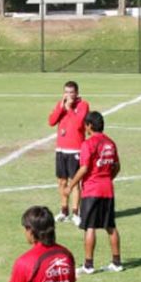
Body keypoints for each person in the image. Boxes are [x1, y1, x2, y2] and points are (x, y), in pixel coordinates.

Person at [65, 111, 123, 275]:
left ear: (89, 126)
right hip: (107, 189)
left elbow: (84, 168)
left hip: (92, 190)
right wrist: (108, 177)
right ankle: (117, 262)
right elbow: (117, 166)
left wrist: (71, 185)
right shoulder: (110, 143)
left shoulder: (88, 144)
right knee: (110, 226)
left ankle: (88, 265)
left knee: (89, 227)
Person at [48, 81, 90, 227]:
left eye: (71, 92)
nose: (69, 95)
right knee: (61, 181)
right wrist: (62, 107)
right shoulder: (61, 104)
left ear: (77, 93)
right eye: (66, 92)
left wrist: (70, 109)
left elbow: (79, 124)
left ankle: (76, 212)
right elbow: (51, 121)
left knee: (75, 182)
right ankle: (64, 211)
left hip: (75, 150)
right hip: (61, 149)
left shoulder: (83, 105)